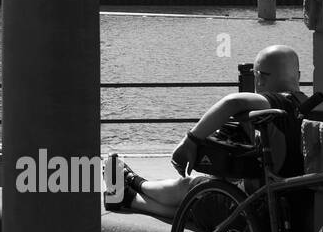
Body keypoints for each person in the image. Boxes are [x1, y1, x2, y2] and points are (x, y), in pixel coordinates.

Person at [107, 45, 307, 219]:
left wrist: (191, 140)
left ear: (260, 78)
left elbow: (233, 102)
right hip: (293, 207)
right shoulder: (310, 106)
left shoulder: (281, 102)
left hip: (257, 207)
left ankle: (135, 184)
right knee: (201, 195)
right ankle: (129, 196)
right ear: (298, 75)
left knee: (193, 187)